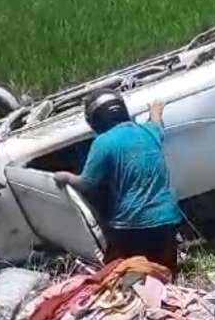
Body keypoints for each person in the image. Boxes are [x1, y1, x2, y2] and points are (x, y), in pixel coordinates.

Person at [54, 91, 184, 274]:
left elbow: (87, 184)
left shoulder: (103, 143)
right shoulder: (147, 131)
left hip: (132, 226)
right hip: (167, 220)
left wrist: (66, 177)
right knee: (166, 274)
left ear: (95, 120)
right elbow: (157, 124)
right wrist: (155, 111)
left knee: (124, 274)